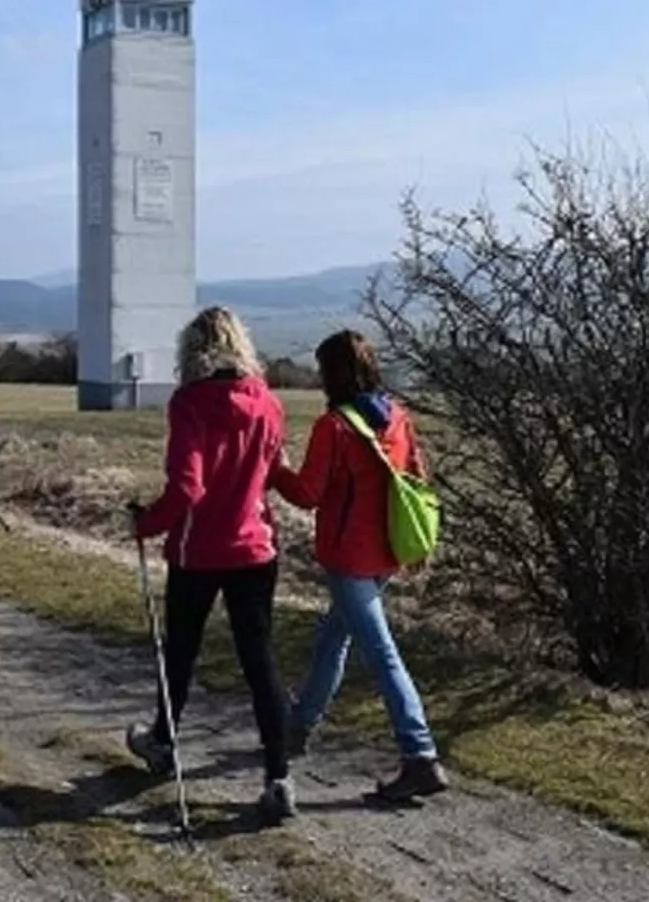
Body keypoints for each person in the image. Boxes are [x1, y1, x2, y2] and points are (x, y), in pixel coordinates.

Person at [125, 306, 298, 824]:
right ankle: (278, 775)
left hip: (199, 550)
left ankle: (163, 741)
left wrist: (147, 523)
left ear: (191, 350)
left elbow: (187, 487)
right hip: (255, 547)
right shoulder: (268, 404)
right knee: (259, 659)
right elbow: (274, 471)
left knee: (179, 652)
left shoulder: (190, 404)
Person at [271, 330, 448, 803]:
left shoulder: (335, 427)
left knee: (380, 651)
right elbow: (418, 477)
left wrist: (274, 468)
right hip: (387, 551)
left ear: (331, 374)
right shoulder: (398, 417)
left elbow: (308, 494)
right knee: (334, 636)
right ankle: (299, 725)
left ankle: (420, 754)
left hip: (349, 555)